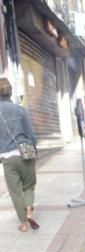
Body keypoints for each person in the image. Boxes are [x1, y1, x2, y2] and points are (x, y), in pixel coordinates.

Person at [0, 77, 39, 232]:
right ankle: (29, 211)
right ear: (10, 92)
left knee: (15, 192)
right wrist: (34, 148)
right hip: (25, 153)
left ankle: (23, 223)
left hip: (7, 157)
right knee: (29, 186)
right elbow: (31, 134)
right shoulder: (20, 110)